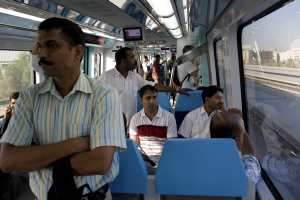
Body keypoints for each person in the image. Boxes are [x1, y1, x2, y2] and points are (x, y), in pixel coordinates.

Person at [0, 17, 126, 200]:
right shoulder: (29, 97)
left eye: (51, 45)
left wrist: (35, 158)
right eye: (39, 46)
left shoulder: (103, 95)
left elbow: (99, 162)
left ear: (77, 52)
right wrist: (76, 144)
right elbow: (8, 160)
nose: (42, 53)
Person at [99, 47, 179, 125]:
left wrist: (175, 89)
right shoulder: (106, 77)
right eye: (132, 57)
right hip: (112, 124)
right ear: (123, 61)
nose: (135, 60)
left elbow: (154, 86)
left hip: (131, 125)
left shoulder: (134, 77)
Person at [129, 85, 177, 166]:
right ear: (141, 100)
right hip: (144, 162)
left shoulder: (169, 118)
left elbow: (171, 147)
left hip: (164, 161)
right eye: (148, 98)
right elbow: (134, 147)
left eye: (154, 97)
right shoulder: (135, 119)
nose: (152, 101)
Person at [210, 110, 261, 184]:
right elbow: (251, 181)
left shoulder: (212, 156)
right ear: (236, 141)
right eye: (243, 132)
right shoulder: (237, 166)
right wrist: (251, 156)